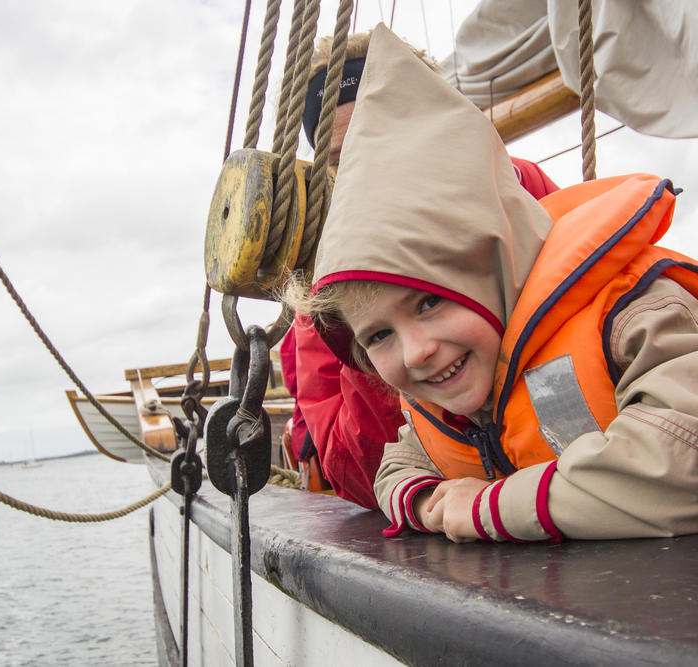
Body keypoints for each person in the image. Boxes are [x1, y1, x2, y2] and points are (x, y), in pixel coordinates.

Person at [284, 23, 698, 543]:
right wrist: (433, 498)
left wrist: (487, 507)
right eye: (345, 163)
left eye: (431, 301)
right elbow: (373, 467)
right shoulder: (336, 297)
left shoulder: (610, 297)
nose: (416, 350)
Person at [279, 30, 559, 509]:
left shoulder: (525, 191)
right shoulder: (326, 292)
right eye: (342, 163)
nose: (369, 174)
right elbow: (360, 474)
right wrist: (373, 330)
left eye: (387, 141)